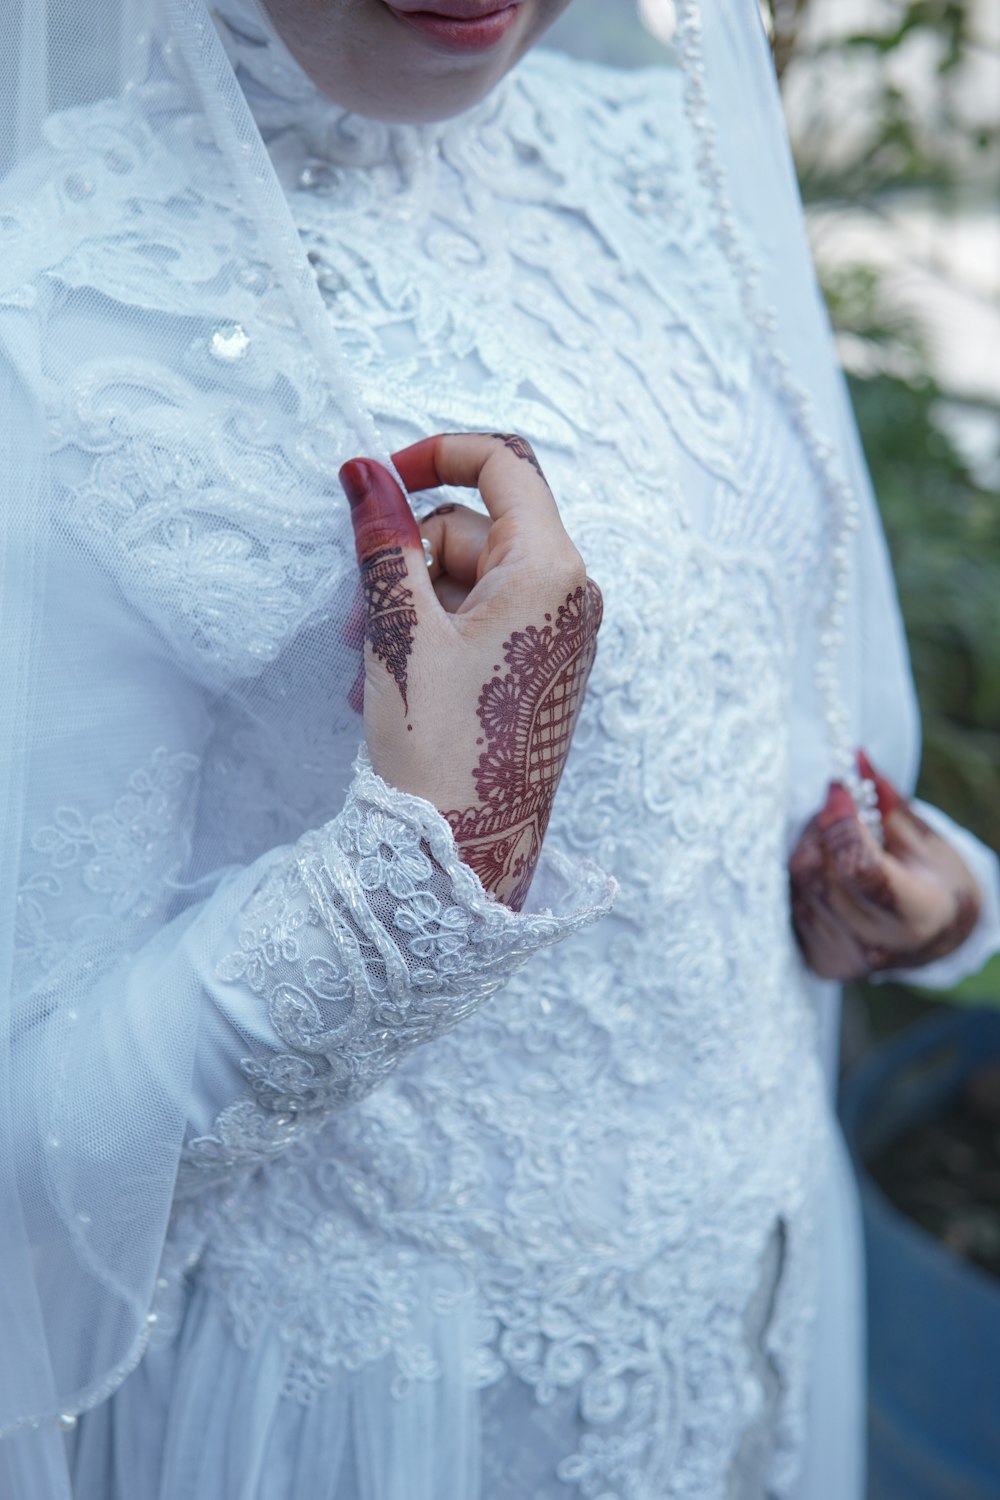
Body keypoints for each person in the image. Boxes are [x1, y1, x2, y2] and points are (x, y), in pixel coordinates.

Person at [1, 1, 997, 1496]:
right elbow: (33, 1165)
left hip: (755, 1301)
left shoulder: (657, 154)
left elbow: (760, 684)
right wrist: (422, 868)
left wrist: (905, 883)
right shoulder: (66, 319)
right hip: (405, 1415)